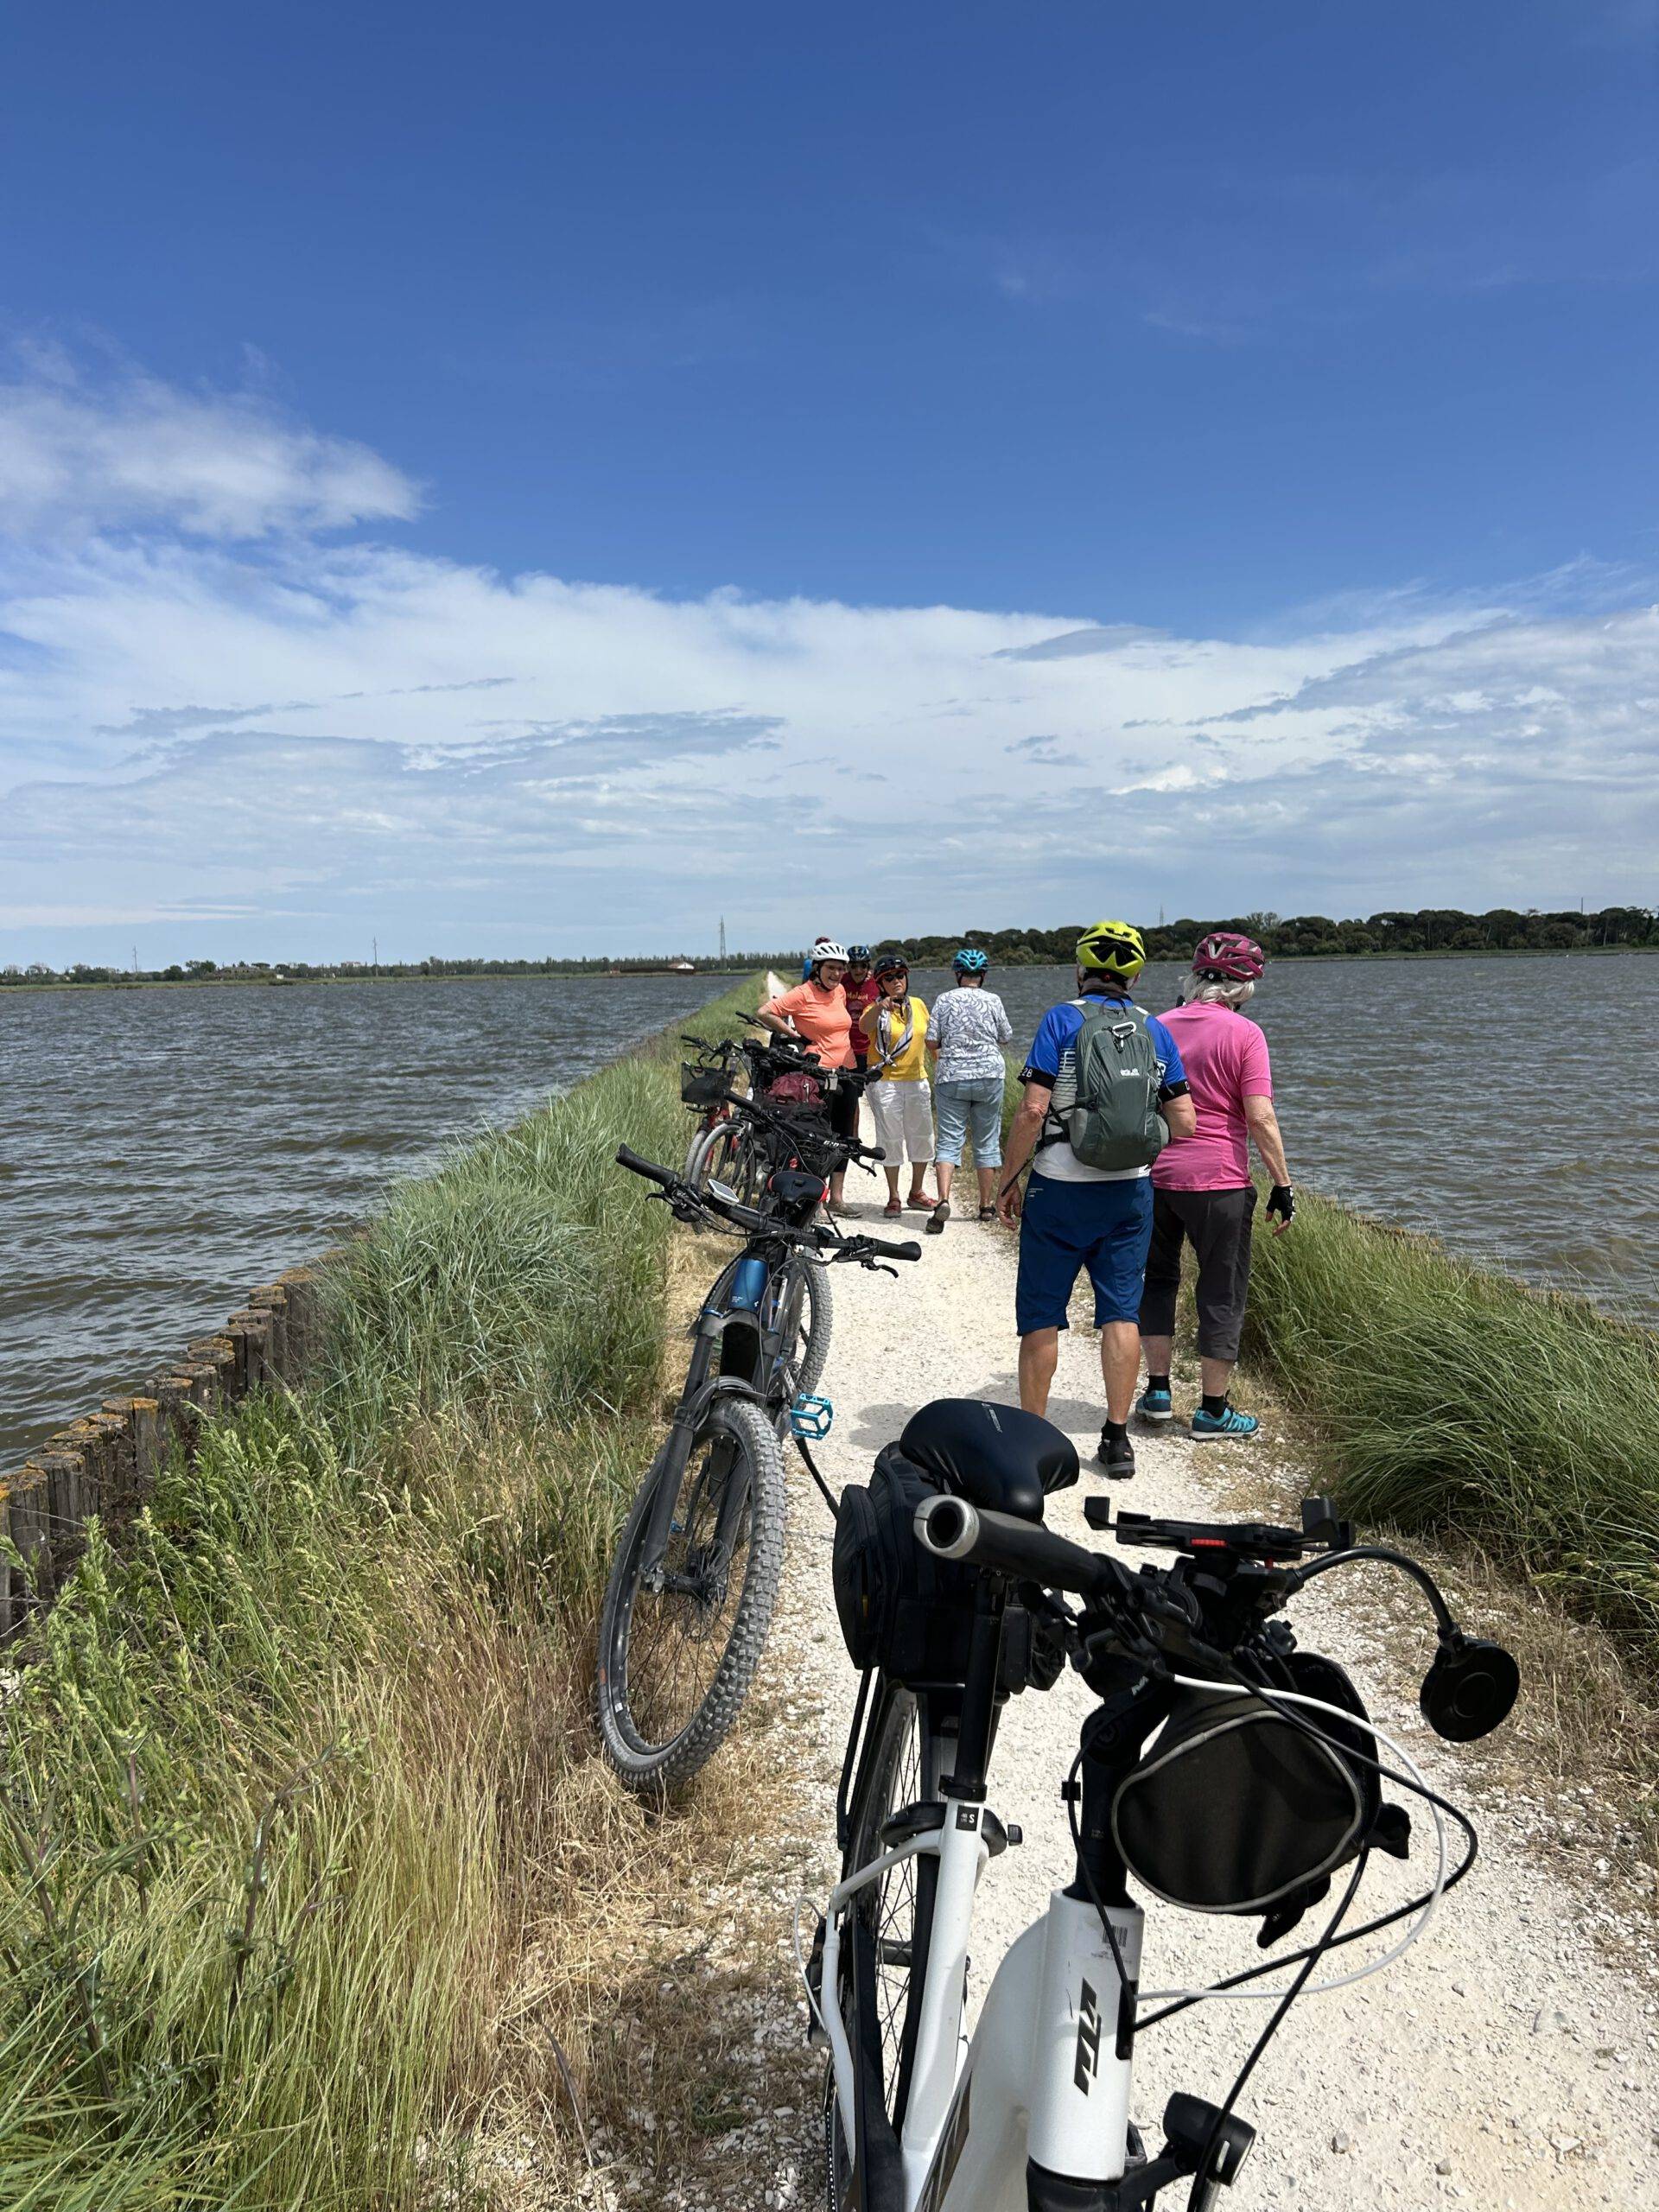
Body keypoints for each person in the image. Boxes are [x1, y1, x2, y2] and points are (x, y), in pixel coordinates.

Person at [996, 919, 1196, 1478]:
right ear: (1134, 977)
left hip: (1059, 1190)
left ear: (1080, 970)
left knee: (1041, 1317)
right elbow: (1185, 1121)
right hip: (1129, 1194)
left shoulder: (1061, 1019)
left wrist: (1009, 1181)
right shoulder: (1155, 1029)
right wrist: (1135, 1141)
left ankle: (1032, 1443)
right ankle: (1116, 1440)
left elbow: (1032, 1111)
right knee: (1121, 1314)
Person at [1136, 932, 1294, 1440]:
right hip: (1220, 1181)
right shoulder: (1246, 1034)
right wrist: (1283, 1183)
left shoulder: (1155, 1026)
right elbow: (1260, 1116)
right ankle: (1212, 1411)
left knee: (1157, 1281)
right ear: (1242, 988)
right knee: (1221, 1291)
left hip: (1154, 1175)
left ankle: (1158, 1393)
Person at [757, 938, 859, 1207]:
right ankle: (815, 1200)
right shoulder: (803, 994)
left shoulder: (840, 992)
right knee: (819, 1136)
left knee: (844, 1135)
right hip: (819, 1073)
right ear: (817, 968)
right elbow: (765, 1012)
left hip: (846, 1071)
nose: (836, 974)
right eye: (831, 968)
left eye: (840, 968)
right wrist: (794, 1035)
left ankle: (837, 1197)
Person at [925, 947, 1014, 1232]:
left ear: (957, 974)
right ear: (982, 976)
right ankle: (986, 1206)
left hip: (952, 1075)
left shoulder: (944, 999)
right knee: (987, 1140)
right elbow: (1006, 1036)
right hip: (989, 1076)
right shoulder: (993, 1000)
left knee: (949, 1140)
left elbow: (931, 1040)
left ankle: (943, 1200)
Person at [859, 954, 938, 1217]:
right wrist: (880, 1008)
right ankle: (893, 1196)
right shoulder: (875, 1008)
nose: (896, 981)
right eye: (889, 978)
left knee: (922, 1135)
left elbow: (929, 1038)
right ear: (881, 984)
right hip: (885, 1082)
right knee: (891, 1137)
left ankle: (917, 1192)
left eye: (900, 976)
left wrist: (941, 1064)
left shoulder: (918, 1005)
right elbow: (863, 1027)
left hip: (916, 1078)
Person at [842, 947, 880, 1076]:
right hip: (846, 1047)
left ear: (868, 966)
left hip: (869, 1049)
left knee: (867, 1085)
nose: (858, 970)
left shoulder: (877, 983)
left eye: (863, 966)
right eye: (853, 966)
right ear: (848, 966)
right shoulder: (842, 981)